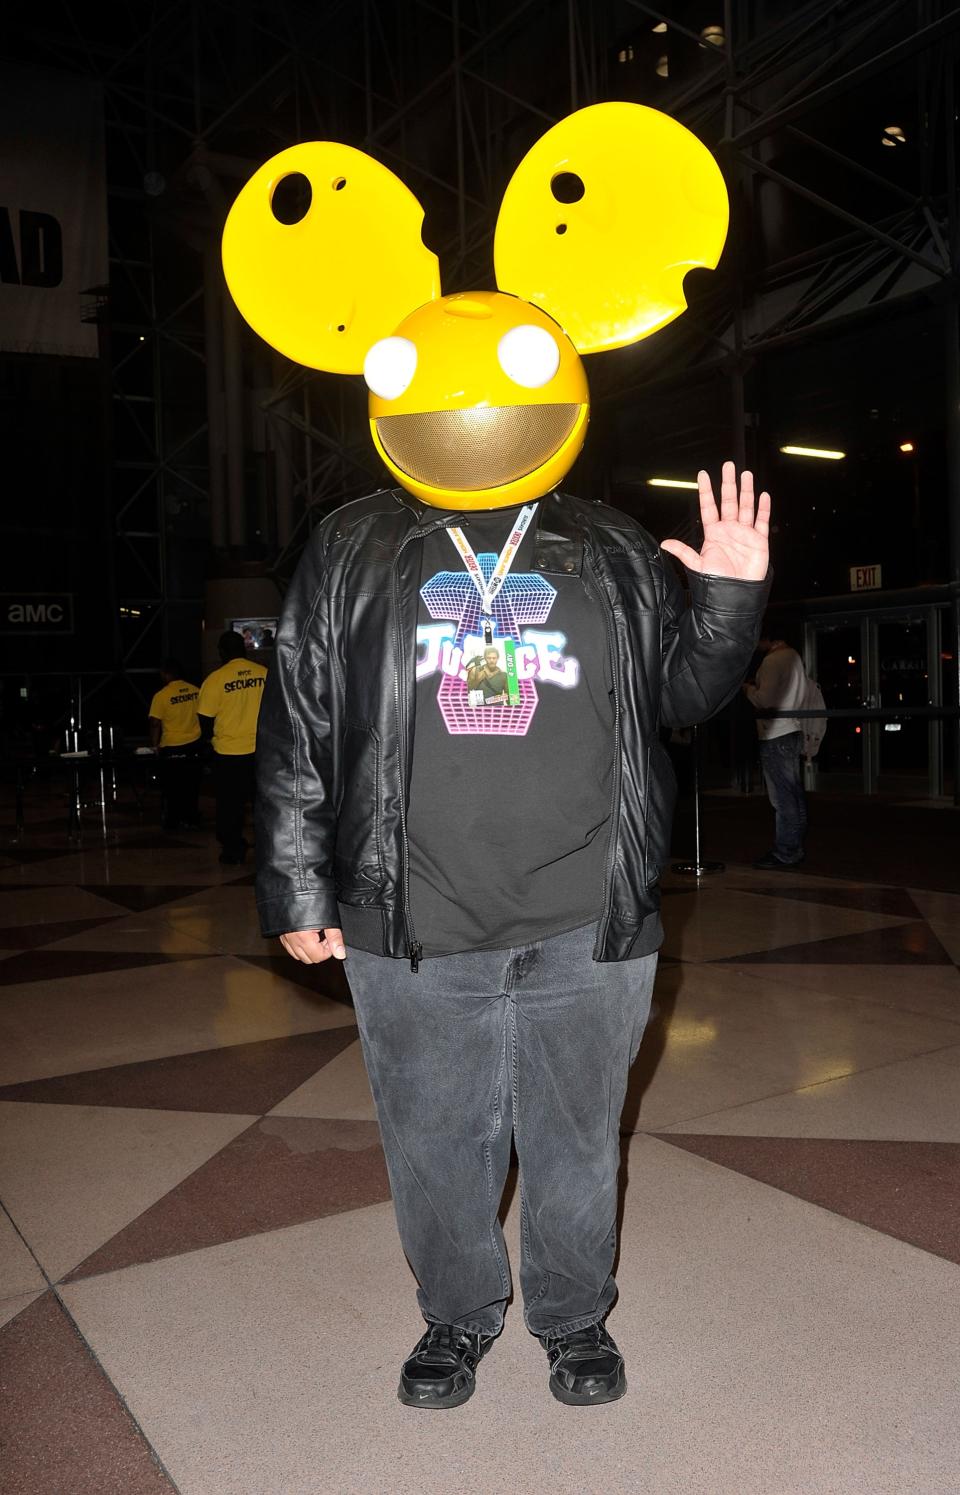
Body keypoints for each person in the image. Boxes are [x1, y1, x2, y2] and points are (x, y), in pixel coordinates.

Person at [226, 104, 771, 1410]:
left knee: (581, 1145)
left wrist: (735, 599)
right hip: (416, 923)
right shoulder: (356, 543)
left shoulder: (612, 544)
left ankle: (574, 1319)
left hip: (588, 919)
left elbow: (686, 699)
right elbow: (299, 710)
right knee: (436, 1146)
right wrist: (296, 888)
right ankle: (458, 1315)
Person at [198, 630, 267, 864]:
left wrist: (209, 744)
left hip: (229, 754)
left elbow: (205, 719)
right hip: (262, 753)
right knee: (264, 804)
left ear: (221, 652)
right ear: (244, 649)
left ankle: (233, 851)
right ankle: (268, 850)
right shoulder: (265, 674)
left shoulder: (215, 680)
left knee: (230, 807)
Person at [743, 628, 809, 868]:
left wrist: (748, 689)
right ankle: (795, 846)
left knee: (782, 798)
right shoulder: (794, 656)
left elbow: (765, 700)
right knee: (794, 794)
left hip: (775, 732)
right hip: (792, 728)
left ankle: (786, 850)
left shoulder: (772, 660)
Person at [147, 659, 201, 831]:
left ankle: (173, 821)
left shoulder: (161, 696)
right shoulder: (196, 691)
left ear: (165, 674)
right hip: (194, 744)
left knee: (172, 787)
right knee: (191, 785)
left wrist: (155, 746)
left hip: (172, 747)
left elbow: (155, 723)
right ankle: (191, 819)